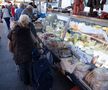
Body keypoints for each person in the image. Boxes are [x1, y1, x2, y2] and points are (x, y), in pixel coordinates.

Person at [7, 15, 34, 85]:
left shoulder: (14, 29)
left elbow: (9, 37)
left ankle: (25, 81)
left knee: (22, 67)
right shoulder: (27, 31)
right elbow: (31, 43)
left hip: (17, 53)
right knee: (28, 68)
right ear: (27, 22)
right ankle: (28, 81)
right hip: (26, 53)